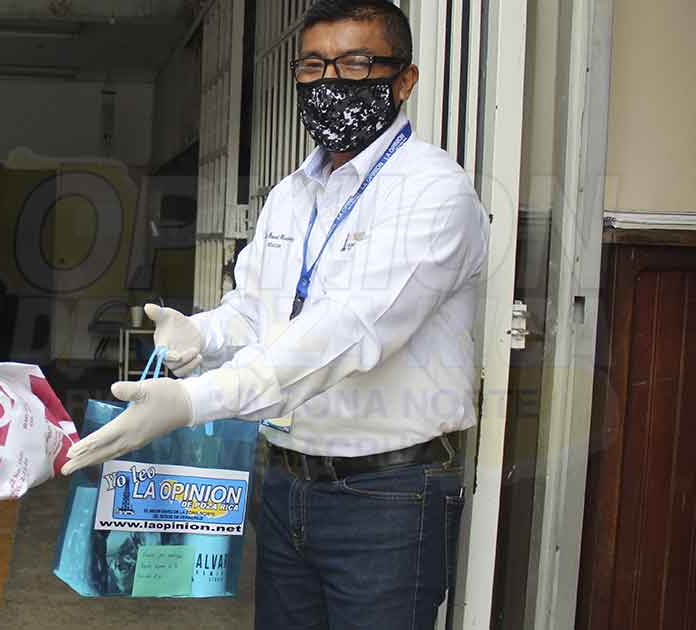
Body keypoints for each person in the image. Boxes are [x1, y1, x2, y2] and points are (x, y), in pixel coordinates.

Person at [62, 1, 489, 628]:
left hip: (388, 495)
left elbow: (345, 332)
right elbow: (256, 309)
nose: (330, 83)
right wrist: (201, 333)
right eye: (313, 66)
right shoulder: (291, 194)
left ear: (404, 80)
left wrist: (193, 401)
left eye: (356, 64)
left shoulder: (433, 192)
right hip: (286, 483)